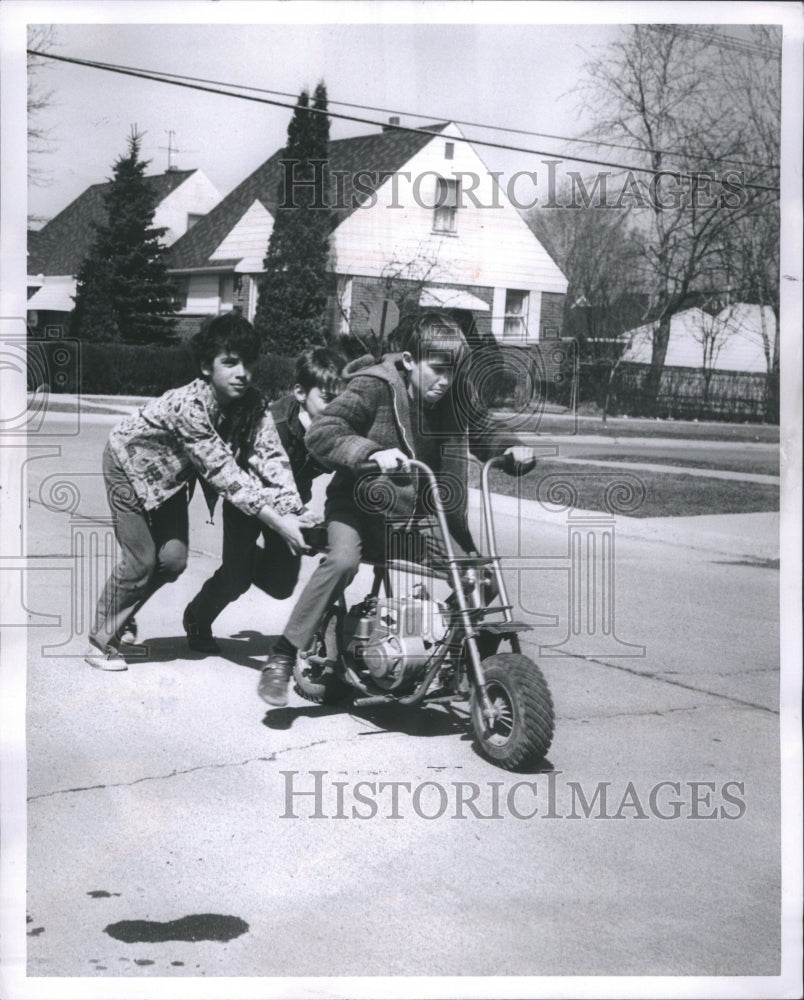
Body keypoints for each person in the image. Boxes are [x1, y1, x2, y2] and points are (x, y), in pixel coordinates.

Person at [257, 311, 536, 706]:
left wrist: (510, 447)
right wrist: (370, 452)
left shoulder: (450, 397)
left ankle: (446, 652)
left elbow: (483, 427)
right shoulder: (374, 387)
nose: (445, 382)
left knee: (481, 577)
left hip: (418, 517)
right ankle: (283, 657)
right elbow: (323, 432)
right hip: (357, 507)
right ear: (409, 361)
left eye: (453, 373)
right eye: (437, 370)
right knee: (342, 562)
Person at [85, 312, 310, 672]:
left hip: (169, 481)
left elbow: (270, 457)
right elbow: (223, 471)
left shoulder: (253, 403)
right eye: (230, 363)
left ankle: (121, 615)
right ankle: (100, 638)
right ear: (207, 366)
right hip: (126, 466)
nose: (242, 373)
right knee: (141, 561)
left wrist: (293, 511)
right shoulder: (189, 406)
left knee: (172, 561)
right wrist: (278, 523)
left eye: (248, 364)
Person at [182, 346, 346, 653]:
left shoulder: (333, 429)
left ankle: (242, 564)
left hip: (292, 505)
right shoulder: (275, 425)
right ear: (300, 392)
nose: (335, 407)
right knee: (235, 580)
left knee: (282, 587)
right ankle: (197, 617)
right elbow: (245, 480)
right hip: (248, 502)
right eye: (327, 398)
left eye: (340, 399)